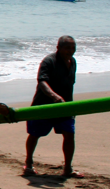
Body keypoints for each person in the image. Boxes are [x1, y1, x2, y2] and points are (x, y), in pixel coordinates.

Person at [23, 36, 83, 178]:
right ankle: (28, 164)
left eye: (73, 48)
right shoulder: (49, 61)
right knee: (35, 134)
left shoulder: (72, 62)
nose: (71, 51)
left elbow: (69, 85)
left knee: (69, 135)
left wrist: (70, 106)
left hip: (65, 107)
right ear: (58, 48)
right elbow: (42, 82)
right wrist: (54, 96)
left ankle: (68, 169)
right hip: (44, 105)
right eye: (67, 47)